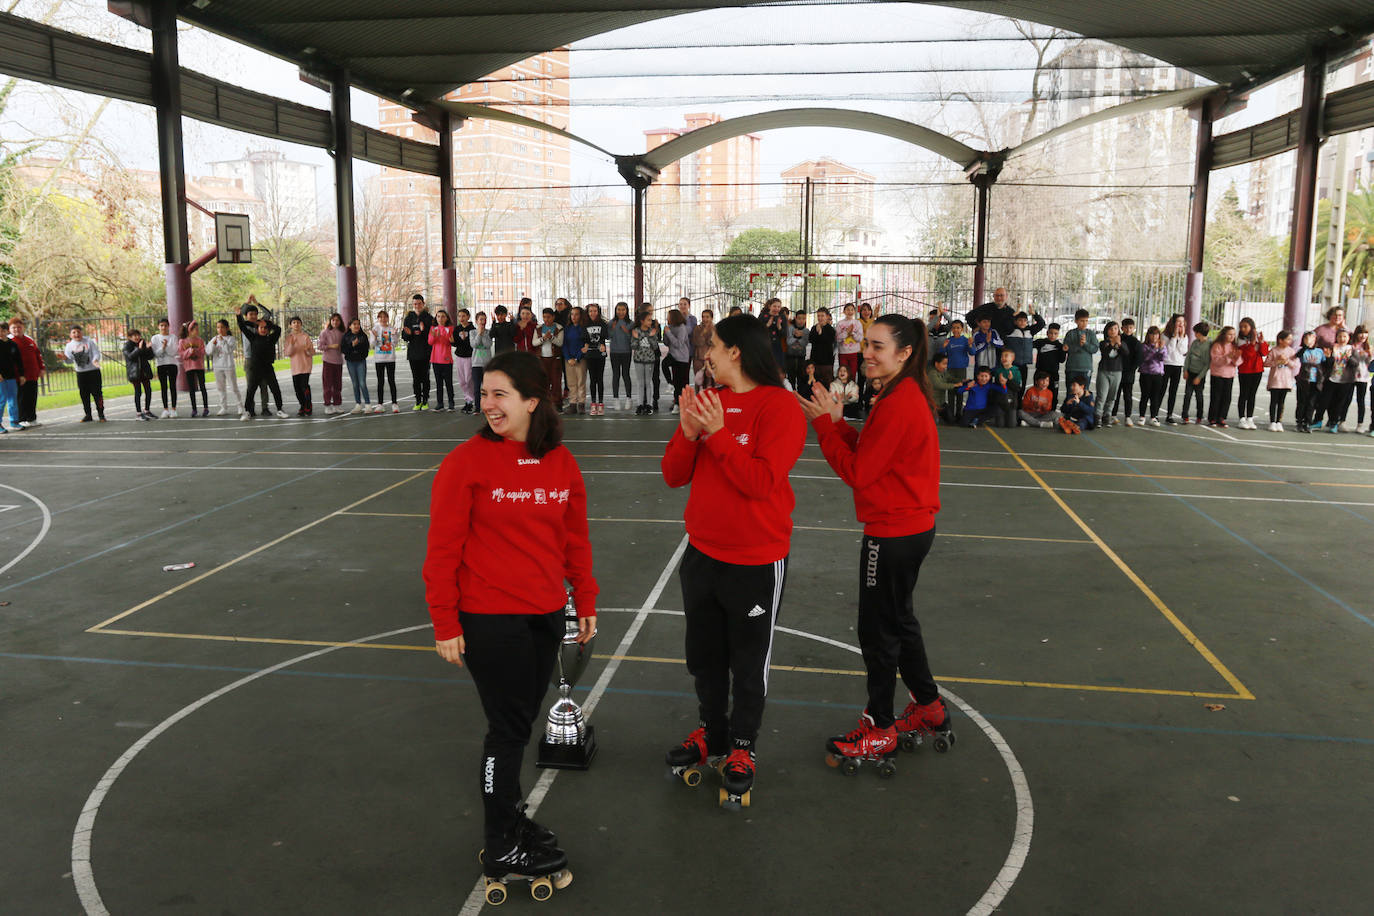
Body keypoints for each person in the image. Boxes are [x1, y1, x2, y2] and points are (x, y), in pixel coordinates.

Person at [422, 349, 597, 892]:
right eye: (485, 393)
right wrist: (445, 621)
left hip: (545, 613)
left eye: (501, 394)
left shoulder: (560, 462)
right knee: (508, 732)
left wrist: (584, 598)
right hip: (489, 619)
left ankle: (510, 818)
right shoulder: (465, 463)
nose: (488, 404)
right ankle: (502, 844)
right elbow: (442, 551)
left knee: (518, 726)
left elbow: (574, 538)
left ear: (531, 401)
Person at [661, 314, 807, 809]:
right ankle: (713, 734)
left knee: (748, 663)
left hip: (755, 561)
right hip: (702, 555)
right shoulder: (709, 402)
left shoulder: (780, 407)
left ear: (737, 352)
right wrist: (687, 432)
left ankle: (743, 747)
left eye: (714, 347)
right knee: (705, 657)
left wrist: (718, 434)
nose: (707, 354)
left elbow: (761, 483)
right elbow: (673, 476)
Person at [798, 314, 952, 764]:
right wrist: (839, 424)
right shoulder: (900, 394)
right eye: (866, 343)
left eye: (877, 346)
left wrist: (826, 429)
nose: (866, 352)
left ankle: (880, 727)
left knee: (878, 631)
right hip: (910, 527)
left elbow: (861, 474)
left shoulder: (901, 401)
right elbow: (872, 452)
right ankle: (929, 707)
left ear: (904, 354)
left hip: (893, 533)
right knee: (900, 622)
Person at [237, 307, 287, 420]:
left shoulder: (271, 338)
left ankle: (279, 409)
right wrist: (238, 315)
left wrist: (267, 323)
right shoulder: (253, 337)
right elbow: (242, 326)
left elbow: (278, 329)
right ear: (257, 328)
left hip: (268, 368)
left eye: (265, 328)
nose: (263, 329)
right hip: (255, 369)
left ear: (268, 330)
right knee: (251, 390)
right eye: (261, 327)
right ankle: (247, 412)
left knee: (275, 389)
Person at [1316, 328, 1357, 434]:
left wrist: (1349, 357)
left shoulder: (1352, 349)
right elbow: (1326, 364)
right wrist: (1329, 357)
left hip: (1345, 381)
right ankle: (1318, 420)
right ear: (1336, 337)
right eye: (1340, 336)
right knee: (1324, 401)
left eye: (1344, 336)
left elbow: (1355, 364)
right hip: (1331, 379)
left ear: (1348, 338)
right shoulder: (1332, 347)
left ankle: (1334, 423)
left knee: (1338, 403)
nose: (1342, 339)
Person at [63, 325, 105, 422]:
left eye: (78, 332)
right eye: (74, 332)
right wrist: (64, 359)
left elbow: (96, 353)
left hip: (93, 372)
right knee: (84, 394)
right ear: (70, 334)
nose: (76, 334)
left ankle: (101, 414)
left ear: (82, 332)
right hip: (81, 373)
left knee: (97, 393)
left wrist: (95, 360)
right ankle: (88, 415)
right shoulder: (69, 346)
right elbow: (69, 360)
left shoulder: (89, 342)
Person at [1234, 317, 1269, 430]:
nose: (1243, 329)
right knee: (1243, 394)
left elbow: (1264, 353)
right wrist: (1253, 343)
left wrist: (1261, 341)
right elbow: (1247, 354)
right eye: (1241, 327)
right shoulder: (1239, 340)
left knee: (1252, 395)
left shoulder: (1258, 338)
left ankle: (1250, 418)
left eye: (1245, 326)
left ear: (1252, 327)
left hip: (1257, 370)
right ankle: (1241, 418)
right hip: (1245, 370)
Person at [8, 318, 43, 427]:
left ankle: (32, 418)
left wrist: (41, 368)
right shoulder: (9, 341)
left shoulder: (29, 340)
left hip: (32, 375)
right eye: (14, 327)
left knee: (32, 397)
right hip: (18, 376)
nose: (17, 329)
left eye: (19, 327)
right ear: (9, 329)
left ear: (23, 327)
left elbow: (37, 354)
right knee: (21, 398)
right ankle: (21, 419)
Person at [403, 294, 436, 410]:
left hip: (426, 353)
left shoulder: (429, 318)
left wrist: (424, 330)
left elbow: (432, 336)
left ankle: (425, 400)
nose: (417, 306)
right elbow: (405, 337)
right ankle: (418, 400)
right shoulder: (408, 318)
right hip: (413, 353)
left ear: (423, 304)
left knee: (425, 378)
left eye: (419, 303)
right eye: (415, 304)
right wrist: (408, 334)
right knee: (416, 378)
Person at [1207, 325, 1243, 428]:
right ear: (1224, 335)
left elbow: (1238, 362)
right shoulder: (1217, 345)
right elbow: (1216, 360)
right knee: (1216, 397)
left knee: (1227, 398)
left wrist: (1236, 357)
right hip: (1217, 374)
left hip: (1229, 375)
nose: (1232, 336)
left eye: (1234, 334)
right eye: (1230, 334)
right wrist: (1228, 357)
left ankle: (1222, 418)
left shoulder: (1234, 347)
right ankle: (1213, 418)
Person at [1003, 308, 1045, 391]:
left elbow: (1041, 324)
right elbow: (1005, 323)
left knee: (1022, 386)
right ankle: (1011, 403)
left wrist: (1034, 314)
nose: (1022, 322)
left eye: (1025, 320)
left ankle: (1019, 402)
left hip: (1024, 365)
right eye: (1020, 320)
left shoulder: (1030, 331)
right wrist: (1014, 315)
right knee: (1011, 385)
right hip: (1012, 364)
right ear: (1015, 321)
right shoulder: (1010, 330)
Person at [207, 319, 241, 417]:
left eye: (222, 327)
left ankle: (239, 406)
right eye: (218, 327)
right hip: (217, 366)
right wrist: (213, 344)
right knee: (220, 388)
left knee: (233, 387)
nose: (220, 329)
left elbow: (228, 350)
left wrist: (222, 342)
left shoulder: (231, 339)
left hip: (228, 366)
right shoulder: (214, 339)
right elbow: (209, 352)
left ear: (227, 328)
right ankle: (223, 407)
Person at [283, 316, 316, 417]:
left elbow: (312, 352)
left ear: (301, 324)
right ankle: (302, 405)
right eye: (294, 322)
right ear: (290, 325)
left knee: (304, 386)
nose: (296, 324)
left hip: (305, 366)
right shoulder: (289, 338)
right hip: (295, 367)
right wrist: (292, 345)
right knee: (297, 389)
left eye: (298, 322)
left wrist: (308, 349)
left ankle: (308, 406)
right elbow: (287, 353)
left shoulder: (305, 336)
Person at [1264, 330, 1296, 432]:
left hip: (1286, 381)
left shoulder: (1291, 351)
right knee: (1274, 401)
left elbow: (1294, 365)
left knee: (1281, 402)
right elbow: (1266, 363)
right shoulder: (1274, 350)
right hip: (1275, 380)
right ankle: (1272, 422)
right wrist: (1277, 361)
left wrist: (1287, 361)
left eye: (1291, 339)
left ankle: (1279, 421)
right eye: (1288, 339)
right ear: (1280, 340)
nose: (1290, 341)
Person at [1096, 322, 1126, 428]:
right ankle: (1097, 416)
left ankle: (1107, 416)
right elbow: (1105, 353)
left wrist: (1120, 344)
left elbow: (1126, 353)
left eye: (1115, 328)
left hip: (1117, 371)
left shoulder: (1122, 342)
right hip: (1104, 371)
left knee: (1112, 397)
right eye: (1110, 329)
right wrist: (1112, 344)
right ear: (1106, 331)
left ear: (1118, 330)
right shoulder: (1103, 343)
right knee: (1102, 396)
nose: (1113, 331)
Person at [1161, 313, 1189, 424]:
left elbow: (1182, 351)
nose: (1180, 324)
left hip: (1177, 365)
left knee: (1173, 391)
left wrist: (1181, 337)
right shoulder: (1165, 335)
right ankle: (1155, 414)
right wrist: (1174, 336)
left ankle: (1169, 415)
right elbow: (1169, 350)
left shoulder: (1185, 336)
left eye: (1182, 322)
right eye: (1178, 322)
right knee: (1161, 389)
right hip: (1166, 364)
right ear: (1173, 323)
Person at [1135, 326, 1166, 426]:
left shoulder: (1162, 345)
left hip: (1158, 374)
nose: (1154, 336)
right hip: (1146, 373)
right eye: (1152, 334)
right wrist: (1155, 349)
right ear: (1148, 335)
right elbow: (1146, 358)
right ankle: (1142, 417)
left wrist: (1160, 349)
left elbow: (1163, 358)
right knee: (1145, 395)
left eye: (1156, 334)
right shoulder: (1144, 346)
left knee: (1155, 396)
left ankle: (1153, 417)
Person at [1294, 330, 1324, 433]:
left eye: (1312, 338)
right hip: (1304, 379)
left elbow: (1324, 362)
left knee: (1311, 403)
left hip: (1315, 380)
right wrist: (1306, 346)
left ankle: (1308, 422)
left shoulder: (1320, 351)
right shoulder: (1302, 350)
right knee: (1302, 401)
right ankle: (1299, 421)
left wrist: (1329, 359)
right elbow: (1297, 356)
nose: (1309, 340)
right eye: (1307, 338)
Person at [371, 309, 401, 413]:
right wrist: (374, 337)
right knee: (380, 382)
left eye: (385, 317)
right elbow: (373, 344)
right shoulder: (375, 329)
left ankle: (394, 403)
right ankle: (380, 404)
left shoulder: (391, 328)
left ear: (388, 318)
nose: (383, 319)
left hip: (390, 359)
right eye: (381, 317)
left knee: (391, 381)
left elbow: (395, 343)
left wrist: (394, 334)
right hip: (379, 359)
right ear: (378, 318)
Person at [630, 310, 660, 415]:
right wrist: (637, 338)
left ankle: (649, 404)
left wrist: (651, 336)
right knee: (640, 383)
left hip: (649, 360)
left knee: (648, 382)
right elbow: (633, 346)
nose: (650, 322)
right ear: (642, 321)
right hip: (638, 360)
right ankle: (640, 404)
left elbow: (655, 346)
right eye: (648, 320)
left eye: (651, 320)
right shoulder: (636, 331)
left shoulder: (652, 331)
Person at [122, 329, 156, 421]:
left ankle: (147, 410)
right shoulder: (127, 346)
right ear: (129, 337)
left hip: (144, 372)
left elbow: (150, 357)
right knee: (138, 392)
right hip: (135, 372)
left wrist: (149, 348)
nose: (137, 337)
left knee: (148, 390)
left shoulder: (142, 343)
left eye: (138, 335)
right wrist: (139, 349)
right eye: (134, 335)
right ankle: (138, 413)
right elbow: (130, 357)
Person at [178, 321, 209, 418]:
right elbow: (181, 354)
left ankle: (206, 408)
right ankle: (194, 409)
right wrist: (189, 352)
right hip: (189, 367)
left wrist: (196, 351)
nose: (198, 331)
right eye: (196, 329)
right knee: (192, 388)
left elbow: (203, 352)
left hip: (199, 366)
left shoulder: (200, 340)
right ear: (190, 330)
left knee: (202, 387)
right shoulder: (182, 341)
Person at [535, 308, 564, 411]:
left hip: (555, 359)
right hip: (542, 359)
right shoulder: (538, 328)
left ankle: (557, 404)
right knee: (543, 382)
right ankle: (545, 404)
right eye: (544, 317)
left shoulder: (559, 328)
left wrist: (551, 337)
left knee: (556, 382)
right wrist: (543, 338)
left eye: (548, 317)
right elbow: (534, 343)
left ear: (553, 317)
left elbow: (560, 343)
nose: (546, 319)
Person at [663, 308, 692, 412]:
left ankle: (680, 404)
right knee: (664, 364)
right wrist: (665, 333)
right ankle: (670, 383)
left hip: (682, 357)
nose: (667, 318)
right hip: (673, 355)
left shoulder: (681, 328)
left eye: (668, 316)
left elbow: (678, 344)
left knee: (681, 383)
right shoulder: (670, 327)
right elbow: (667, 343)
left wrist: (669, 333)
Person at [1113, 318, 1141, 426]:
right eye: (1126, 327)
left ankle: (1127, 416)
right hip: (1117, 370)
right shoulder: (1118, 339)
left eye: (1131, 327)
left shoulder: (1136, 342)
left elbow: (1138, 359)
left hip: (1129, 373)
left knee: (1128, 396)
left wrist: (1132, 370)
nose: (1128, 329)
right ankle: (1113, 415)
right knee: (1116, 394)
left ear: (1133, 328)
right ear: (1122, 328)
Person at [1181, 322, 1211, 424]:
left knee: (1199, 395)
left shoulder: (1208, 345)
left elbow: (1207, 364)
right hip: (1190, 372)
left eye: (1195, 332)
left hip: (1199, 375)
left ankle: (1199, 415)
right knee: (1187, 395)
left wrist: (1199, 377)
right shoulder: (1195, 343)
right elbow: (1188, 357)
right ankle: (1185, 415)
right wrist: (1185, 370)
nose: (1194, 334)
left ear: (1199, 333)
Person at [1032, 322, 1067, 409]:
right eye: (1051, 333)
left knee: (1054, 393)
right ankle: (1036, 411)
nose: (1053, 335)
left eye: (1055, 333)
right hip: (1040, 372)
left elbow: (1062, 360)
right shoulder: (1040, 342)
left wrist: (1064, 351)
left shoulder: (1060, 346)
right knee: (1037, 393)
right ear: (1047, 333)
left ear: (1058, 334)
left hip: (1053, 374)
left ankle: (1052, 411)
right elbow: (1028, 343)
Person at [150, 317, 179, 419]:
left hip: (172, 364)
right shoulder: (155, 338)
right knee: (163, 387)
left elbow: (174, 352)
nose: (163, 327)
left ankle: (174, 409)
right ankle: (165, 409)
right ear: (158, 326)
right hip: (161, 365)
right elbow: (156, 353)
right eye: (161, 325)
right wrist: (163, 347)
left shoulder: (173, 337)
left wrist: (166, 346)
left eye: (165, 325)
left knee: (172, 386)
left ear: (168, 326)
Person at [582, 303, 608, 415]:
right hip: (590, 355)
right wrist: (586, 344)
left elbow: (605, 336)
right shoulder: (584, 324)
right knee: (592, 379)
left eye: (595, 311)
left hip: (600, 355)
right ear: (588, 313)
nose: (593, 313)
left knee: (600, 379)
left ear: (598, 312)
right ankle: (593, 403)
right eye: (591, 311)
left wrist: (602, 344)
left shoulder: (603, 324)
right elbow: (584, 337)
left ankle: (601, 403)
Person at [562, 306, 588, 415]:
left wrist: (577, 358)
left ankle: (581, 404)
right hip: (569, 360)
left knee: (581, 382)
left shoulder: (583, 329)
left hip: (580, 360)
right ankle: (572, 404)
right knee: (571, 383)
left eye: (576, 314)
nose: (574, 317)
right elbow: (564, 345)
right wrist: (568, 358)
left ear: (581, 316)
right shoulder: (567, 328)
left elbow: (584, 346)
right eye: (572, 314)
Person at [318, 313, 346, 415]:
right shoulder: (325, 332)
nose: (335, 322)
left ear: (340, 322)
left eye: (337, 320)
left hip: (338, 362)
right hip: (328, 362)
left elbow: (344, 346)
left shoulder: (342, 333)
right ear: (330, 321)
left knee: (338, 385)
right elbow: (320, 346)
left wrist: (342, 348)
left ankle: (337, 405)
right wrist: (330, 346)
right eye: (333, 320)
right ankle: (327, 405)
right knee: (327, 385)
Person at [608, 301, 634, 410]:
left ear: (627, 311)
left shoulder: (631, 323)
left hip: (626, 352)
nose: (621, 312)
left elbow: (632, 339)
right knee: (616, 375)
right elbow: (609, 336)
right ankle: (616, 398)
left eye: (623, 310)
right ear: (615, 310)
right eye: (619, 309)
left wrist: (627, 331)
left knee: (625, 374)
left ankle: (628, 398)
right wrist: (613, 329)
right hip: (614, 352)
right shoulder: (611, 322)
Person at [1064, 310, 1098, 393]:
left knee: (1084, 392)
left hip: (1086, 368)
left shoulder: (1091, 334)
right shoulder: (1070, 333)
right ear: (1076, 321)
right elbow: (1066, 349)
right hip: (1072, 368)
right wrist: (1078, 345)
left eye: (1086, 321)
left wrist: (1085, 344)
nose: (1084, 323)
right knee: (1071, 392)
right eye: (1082, 321)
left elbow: (1095, 349)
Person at [428, 310, 455, 412]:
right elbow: (430, 342)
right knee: (438, 383)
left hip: (446, 360)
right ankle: (440, 403)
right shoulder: (433, 329)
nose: (440, 318)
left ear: (446, 318)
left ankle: (451, 403)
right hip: (435, 359)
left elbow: (448, 342)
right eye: (438, 316)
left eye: (443, 316)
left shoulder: (450, 329)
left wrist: (442, 335)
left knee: (448, 383)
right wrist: (435, 336)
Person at [927, 353, 963, 424]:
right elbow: (939, 385)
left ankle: (938, 415)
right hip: (932, 404)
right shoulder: (932, 373)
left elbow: (950, 378)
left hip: (941, 404)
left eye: (946, 364)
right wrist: (955, 385)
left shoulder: (943, 372)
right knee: (934, 422)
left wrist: (961, 380)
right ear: (936, 364)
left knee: (951, 420)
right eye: (944, 364)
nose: (945, 366)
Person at [1349, 325, 1372, 433]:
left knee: (1360, 401)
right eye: (1361, 333)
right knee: (1346, 399)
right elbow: (1348, 360)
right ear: (1356, 334)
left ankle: (1360, 424)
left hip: (1363, 377)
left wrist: (1369, 356)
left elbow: (1370, 365)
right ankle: (1341, 421)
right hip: (1350, 376)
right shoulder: (1351, 346)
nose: (1363, 335)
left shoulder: (1368, 347)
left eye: (1365, 333)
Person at [454, 308, 476, 414]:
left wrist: (464, 340)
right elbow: (455, 343)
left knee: (469, 379)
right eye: (459, 316)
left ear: (468, 317)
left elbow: (472, 344)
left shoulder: (472, 329)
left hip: (469, 357)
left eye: (463, 316)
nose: (461, 318)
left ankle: (471, 400)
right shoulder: (457, 329)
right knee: (462, 380)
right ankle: (467, 400)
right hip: (459, 357)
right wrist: (454, 341)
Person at [0, 331, 23, 432]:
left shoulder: (13, 344)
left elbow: (18, 360)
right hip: (1, 377)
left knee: (13, 400)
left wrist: (22, 375)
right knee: (1, 400)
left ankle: (14, 422)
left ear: (6, 331)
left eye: (2, 330)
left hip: (11, 376)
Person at [808, 307, 836, 387]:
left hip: (826, 362)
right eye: (818, 316)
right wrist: (817, 332)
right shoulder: (814, 328)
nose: (820, 318)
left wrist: (820, 333)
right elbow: (811, 340)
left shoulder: (831, 329)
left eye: (822, 316)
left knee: (827, 383)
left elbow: (828, 341)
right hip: (815, 360)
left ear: (827, 316)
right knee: (815, 383)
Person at [835, 303, 863, 381]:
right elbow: (837, 338)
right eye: (847, 309)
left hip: (854, 353)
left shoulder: (857, 323)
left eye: (852, 310)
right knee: (843, 375)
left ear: (854, 311)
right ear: (844, 311)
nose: (850, 311)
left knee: (852, 374)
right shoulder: (840, 323)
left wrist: (852, 333)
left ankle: (851, 391)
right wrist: (846, 332)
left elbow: (860, 338)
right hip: (843, 353)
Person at [471, 311, 492, 416]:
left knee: (487, 388)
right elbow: (474, 344)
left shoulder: (488, 332)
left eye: (484, 319)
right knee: (476, 388)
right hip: (476, 364)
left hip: (487, 364)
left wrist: (483, 333)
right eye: (481, 319)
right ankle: (477, 407)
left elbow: (488, 344)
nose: (483, 322)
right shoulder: (472, 333)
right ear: (476, 321)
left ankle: (486, 407)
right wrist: (479, 333)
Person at [691, 308, 715, 392]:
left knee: (710, 381)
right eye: (703, 317)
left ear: (712, 318)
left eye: (707, 317)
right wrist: (703, 332)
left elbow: (713, 343)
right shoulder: (697, 328)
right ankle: (698, 398)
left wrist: (710, 330)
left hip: (711, 359)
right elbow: (697, 342)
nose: (705, 319)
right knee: (699, 380)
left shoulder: (715, 329)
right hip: (698, 358)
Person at [785, 311, 809, 394]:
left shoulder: (806, 330)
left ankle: (801, 396)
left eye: (803, 318)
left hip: (801, 358)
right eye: (799, 318)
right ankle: (791, 396)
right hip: (790, 357)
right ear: (795, 318)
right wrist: (799, 339)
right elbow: (789, 341)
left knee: (801, 378)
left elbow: (804, 343)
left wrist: (797, 339)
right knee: (791, 378)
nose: (801, 320)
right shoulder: (790, 328)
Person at [762, 297, 787, 370]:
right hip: (766, 346)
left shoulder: (782, 317)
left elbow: (784, 334)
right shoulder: (763, 316)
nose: (776, 309)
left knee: (778, 368)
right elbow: (758, 331)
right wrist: (767, 325)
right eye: (774, 306)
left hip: (777, 346)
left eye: (779, 307)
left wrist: (779, 326)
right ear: (770, 306)